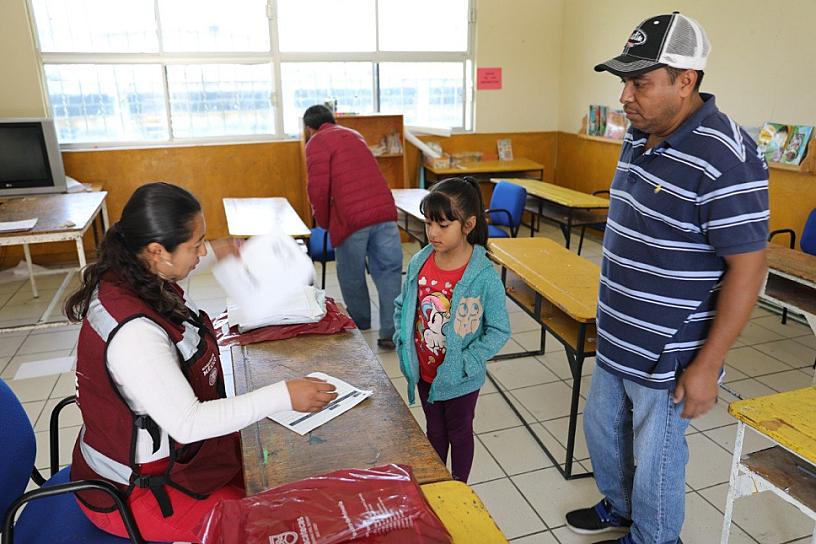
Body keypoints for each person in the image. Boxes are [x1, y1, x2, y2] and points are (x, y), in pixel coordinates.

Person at [565, 13, 769, 544]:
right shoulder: (640, 134)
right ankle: (620, 507)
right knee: (606, 434)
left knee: (657, 455)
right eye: (624, 82)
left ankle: (654, 537)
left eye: (640, 83)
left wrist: (708, 364)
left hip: (671, 348)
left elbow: (749, 269)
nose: (625, 97)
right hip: (616, 333)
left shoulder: (727, 158)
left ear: (686, 81)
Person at [65, 182, 338, 542]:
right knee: (277, 527)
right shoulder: (135, 334)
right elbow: (188, 423)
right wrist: (283, 395)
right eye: (196, 245)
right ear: (157, 250)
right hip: (139, 490)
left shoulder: (139, 271)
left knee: (295, 481)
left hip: (182, 462)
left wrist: (224, 250)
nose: (204, 250)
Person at [393, 177, 510, 482]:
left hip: (461, 379)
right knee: (434, 431)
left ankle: (458, 488)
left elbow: (499, 329)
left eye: (443, 225)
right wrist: (401, 337)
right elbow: (402, 304)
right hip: (425, 372)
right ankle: (437, 484)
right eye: (429, 222)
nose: (432, 232)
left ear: (468, 225)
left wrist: (467, 363)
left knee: (459, 433)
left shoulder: (483, 275)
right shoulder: (420, 261)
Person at [303, 105, 403, 350]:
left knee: (351, 273)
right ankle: (390, 333)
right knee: (389, 271)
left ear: (308, 128)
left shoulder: (316, 142)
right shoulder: (354, 134)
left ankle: (360, 322)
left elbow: (317, 189)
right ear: (332, 119)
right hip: (384, 211)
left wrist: (325, 222)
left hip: (351, 217)